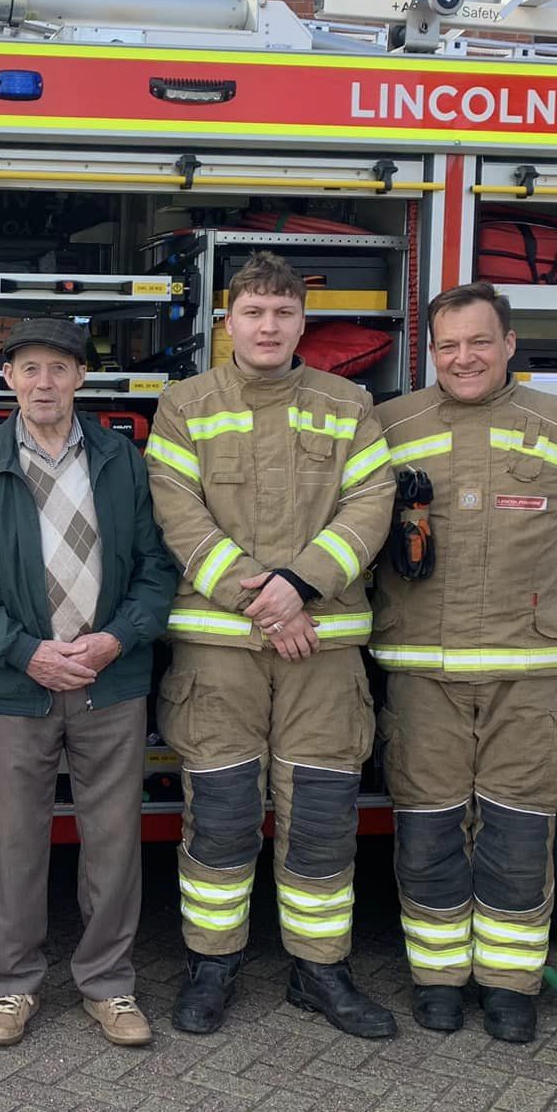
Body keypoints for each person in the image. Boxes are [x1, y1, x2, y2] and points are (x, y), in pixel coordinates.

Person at [371, 282, 557, 1042]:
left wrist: (537, 597)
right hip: (423, 674)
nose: (464, 358)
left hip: (528, 672)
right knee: (428, 833)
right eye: (448, 345)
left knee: (520, 835)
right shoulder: (392, 427)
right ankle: (439, 979)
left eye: (479, 342)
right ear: (432, 351)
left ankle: (510, 986)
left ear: (509, 342)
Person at [145, 250, 396, 1039]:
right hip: (222, 653)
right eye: (253, 312)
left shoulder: (349, 403)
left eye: (283, 313)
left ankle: (319, 971)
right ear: (228, 321)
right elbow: (177, 515)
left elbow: (372, 504)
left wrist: (304, 586)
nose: (268, 326)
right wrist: (268, 601)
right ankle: (211, 964)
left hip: (321, 650)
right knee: (219, 812)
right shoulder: (183, 405)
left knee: (321, 814)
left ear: (301, 323)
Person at [0, 319, 177, 1048]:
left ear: (81, 379)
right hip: (20, 682)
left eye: (59, 369)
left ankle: (109, 984)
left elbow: (158, 569)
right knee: (14, 840)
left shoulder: (123, 461)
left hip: (111, 679)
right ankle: (10, 986)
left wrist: (114, 640)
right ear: (7, 378)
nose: (44, 382)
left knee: (113, 838)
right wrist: (27, 652)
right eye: (30, 368)